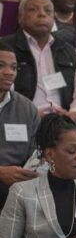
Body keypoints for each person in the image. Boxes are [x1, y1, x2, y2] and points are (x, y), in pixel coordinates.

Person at [3, 0, 76, 193]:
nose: (41, 14)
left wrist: (74, 115)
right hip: (26, 116)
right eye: (33, 9)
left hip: (65, 119)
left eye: (47, 10)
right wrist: (30, 113)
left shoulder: (69, 50)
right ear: (20, 17)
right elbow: (5, 85)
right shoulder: (7, 47)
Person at [0, 41, 38, 207]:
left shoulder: (27, 109)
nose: (9, 73)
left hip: (17, 185)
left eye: (14, 68)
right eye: (1, 66)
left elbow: (35, 155)